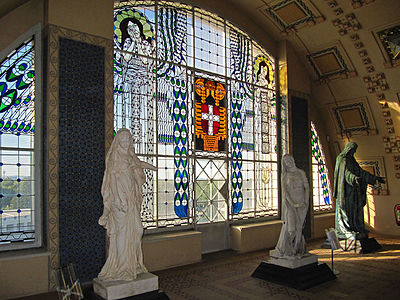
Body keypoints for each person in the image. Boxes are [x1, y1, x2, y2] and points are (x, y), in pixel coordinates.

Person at [98, 128, 157, 281]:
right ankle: (122, 268)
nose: (125, 142)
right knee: (122, 233)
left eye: (128, 139)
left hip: (131, 199)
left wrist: (153, 168)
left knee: (137, 230)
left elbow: (140, 164)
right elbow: (112, 181)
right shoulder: (114, 157)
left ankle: (133, 263)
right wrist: (118, 198)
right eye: (122, 139)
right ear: (118, 141)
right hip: (120, 201)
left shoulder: (130, 156)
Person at [334, 142, 384, 240]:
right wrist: (354, 178)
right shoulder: (342, 159)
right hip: (345, 191)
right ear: (349, 149)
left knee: (355, 209)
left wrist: (375, 178)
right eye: (353, 150)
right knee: (347, 209)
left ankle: (356, 227)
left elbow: (361, 172)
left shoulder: (352, 160)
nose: (355, 152)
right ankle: (346, 229)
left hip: (353, 190)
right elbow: (346, 173)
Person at [274, 154, 309, 257]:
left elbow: (306, 187)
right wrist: (293, 204)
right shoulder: (284, 175)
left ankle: (296, 249)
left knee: (299, 227)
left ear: (292, 160)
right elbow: (285, 193)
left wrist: (305, 202)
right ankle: (287, 248)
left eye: (289, 160)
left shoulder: (301, 173)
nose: (288, 162)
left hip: (302, 203)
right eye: (285, 161)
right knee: (291, 228)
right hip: (290, 204)